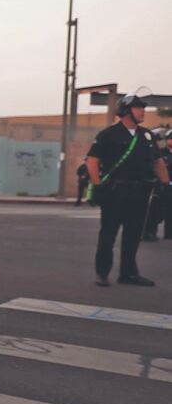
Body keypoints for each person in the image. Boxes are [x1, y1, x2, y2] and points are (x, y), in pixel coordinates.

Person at [86, 91, 170, 286]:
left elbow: (158, 162)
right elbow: (92, 161)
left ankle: (128, 273)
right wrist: (97, 186)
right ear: (126, 111)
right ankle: (102, 273)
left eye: (143, 107)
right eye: (138, 107)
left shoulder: (147, 136)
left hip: (140, 192)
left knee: (133, 235)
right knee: (108, 234)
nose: (142, 111)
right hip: (115, 192)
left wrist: (166, 184)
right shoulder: (108, 135)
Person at [142, 134, 172, 241]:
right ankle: (149, 231)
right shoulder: (161, 152)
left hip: (169, 185)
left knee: (170, 210)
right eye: (170, 139)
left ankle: (169, 233)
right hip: (160, 184)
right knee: (156, 210)